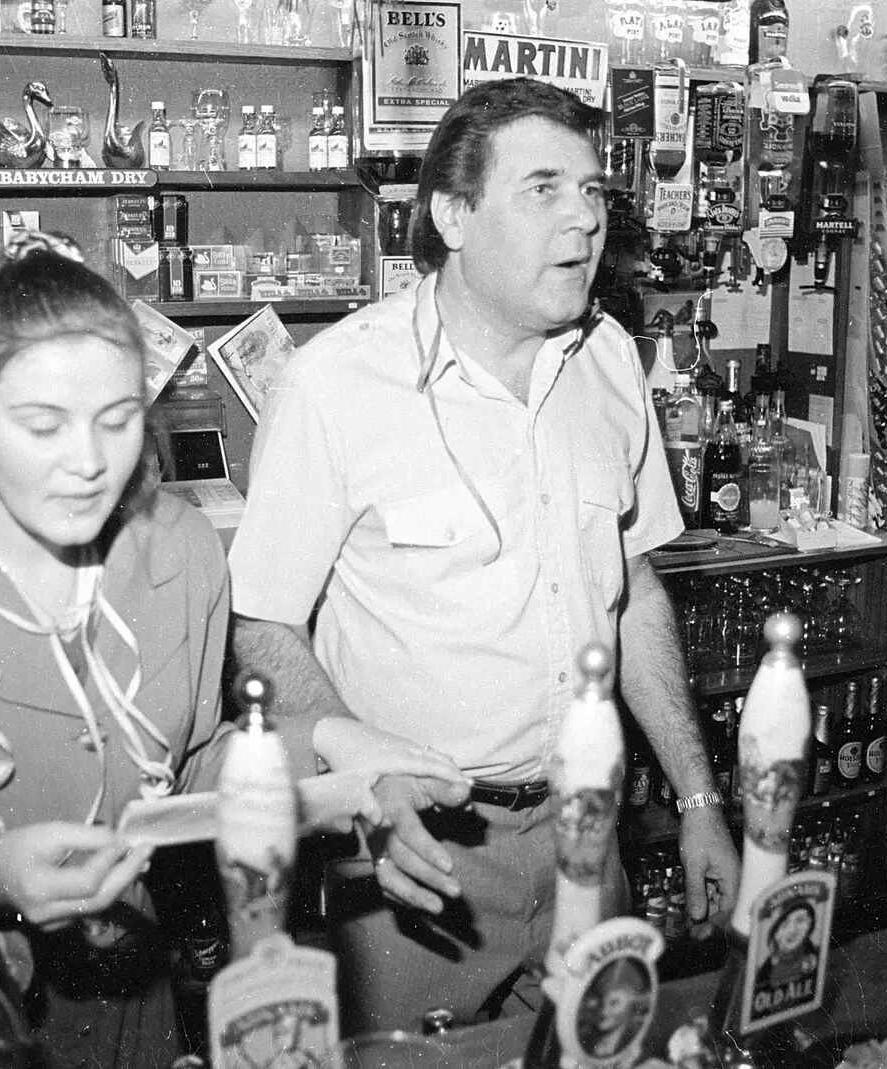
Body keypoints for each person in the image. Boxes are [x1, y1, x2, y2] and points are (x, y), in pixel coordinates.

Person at [0, 232, 464, 1067]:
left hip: (136, 1010)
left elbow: (191, 767)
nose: (89, 464)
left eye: (117, 418)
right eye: (42, 424)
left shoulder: (176, 548)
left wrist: (332, 745)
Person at [227, 78, 739, 1031]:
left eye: (592, 191)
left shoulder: (612, 360)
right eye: (543, 189)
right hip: (420, 850)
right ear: (452, 215)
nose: (583, 221)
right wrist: (366, 786)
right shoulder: (336, 382)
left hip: (593, 829)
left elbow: (630, 588)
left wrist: (701, 795)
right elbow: (264, 625)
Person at [751, 900, 818, 994]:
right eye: (784, 925)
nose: (792, 930)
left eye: (800, 920)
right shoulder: (765, 971)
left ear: (809, 924)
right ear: (775, 935)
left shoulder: (816, 955)